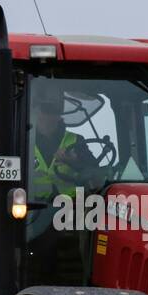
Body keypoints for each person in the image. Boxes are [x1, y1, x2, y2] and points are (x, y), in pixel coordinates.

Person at [27, 88, 104, 284]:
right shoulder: (23, 139)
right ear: (35, 112)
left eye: (52, 112)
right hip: (32, 209)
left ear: (59, 115)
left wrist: (73, 162)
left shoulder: (75, 141)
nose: (47, 117)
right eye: (44, 111)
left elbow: (96, 175)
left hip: (70, 210)